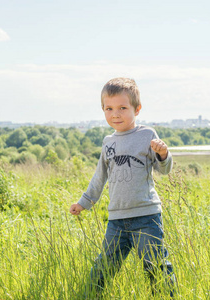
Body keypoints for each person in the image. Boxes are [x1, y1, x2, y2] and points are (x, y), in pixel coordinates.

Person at [69, 77, 176, 297]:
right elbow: (100, 176)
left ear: (137, 109)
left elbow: (164, 169)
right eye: (109, 108)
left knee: (156, 266)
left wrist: (163, 153)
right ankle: (89, 296)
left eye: (122, 108)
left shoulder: (147, 135)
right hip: (116, 220)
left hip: (146, 217)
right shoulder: (108, 141)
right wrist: (84, 202)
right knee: (104, 266)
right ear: (103, 110)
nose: (115, 114)